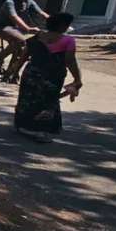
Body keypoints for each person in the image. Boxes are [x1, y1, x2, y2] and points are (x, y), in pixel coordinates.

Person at [15, 13, 82, 142]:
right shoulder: (68, 40)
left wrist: (14, 71)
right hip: (52, 75)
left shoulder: (37, 36)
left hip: (31, 73)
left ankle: (23, 125)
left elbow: (24, 55)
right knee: (48, 100)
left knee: (28, 99)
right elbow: (70, 61)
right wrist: (77, 79)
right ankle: (40, 130)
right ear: (63, 26)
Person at [0, 0, 49, 82]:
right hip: (1, 28)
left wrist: (56, 22)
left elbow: (41, 13)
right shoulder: (10, 2)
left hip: (15, 29)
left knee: (21, 50)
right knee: (22, 41)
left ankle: (10, 74)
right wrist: (28, 28)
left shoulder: (30, 2)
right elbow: (14, 17)